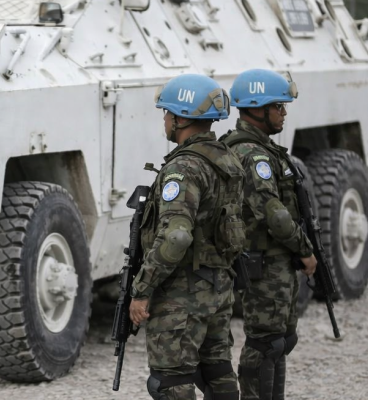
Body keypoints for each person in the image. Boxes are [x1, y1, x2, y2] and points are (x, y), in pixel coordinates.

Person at [129, 74, 245, 400]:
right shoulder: (228, 160)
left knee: (170, 382)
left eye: (167, 113)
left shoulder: (184, 168)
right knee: (217, 373)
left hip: (182, 295)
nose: (164, 119)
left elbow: (176, 237)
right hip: (219, 288)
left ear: (180, 118)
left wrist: (142, 288)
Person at [219, 69, 318, 400]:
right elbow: (272, 212)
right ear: (257, 107)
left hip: (274, 260)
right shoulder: (253, 154)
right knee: (265, 343)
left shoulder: (264, 150)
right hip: (262, 262)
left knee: (280, 341)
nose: (284, 113)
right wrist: (305, 249)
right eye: (279, 106)